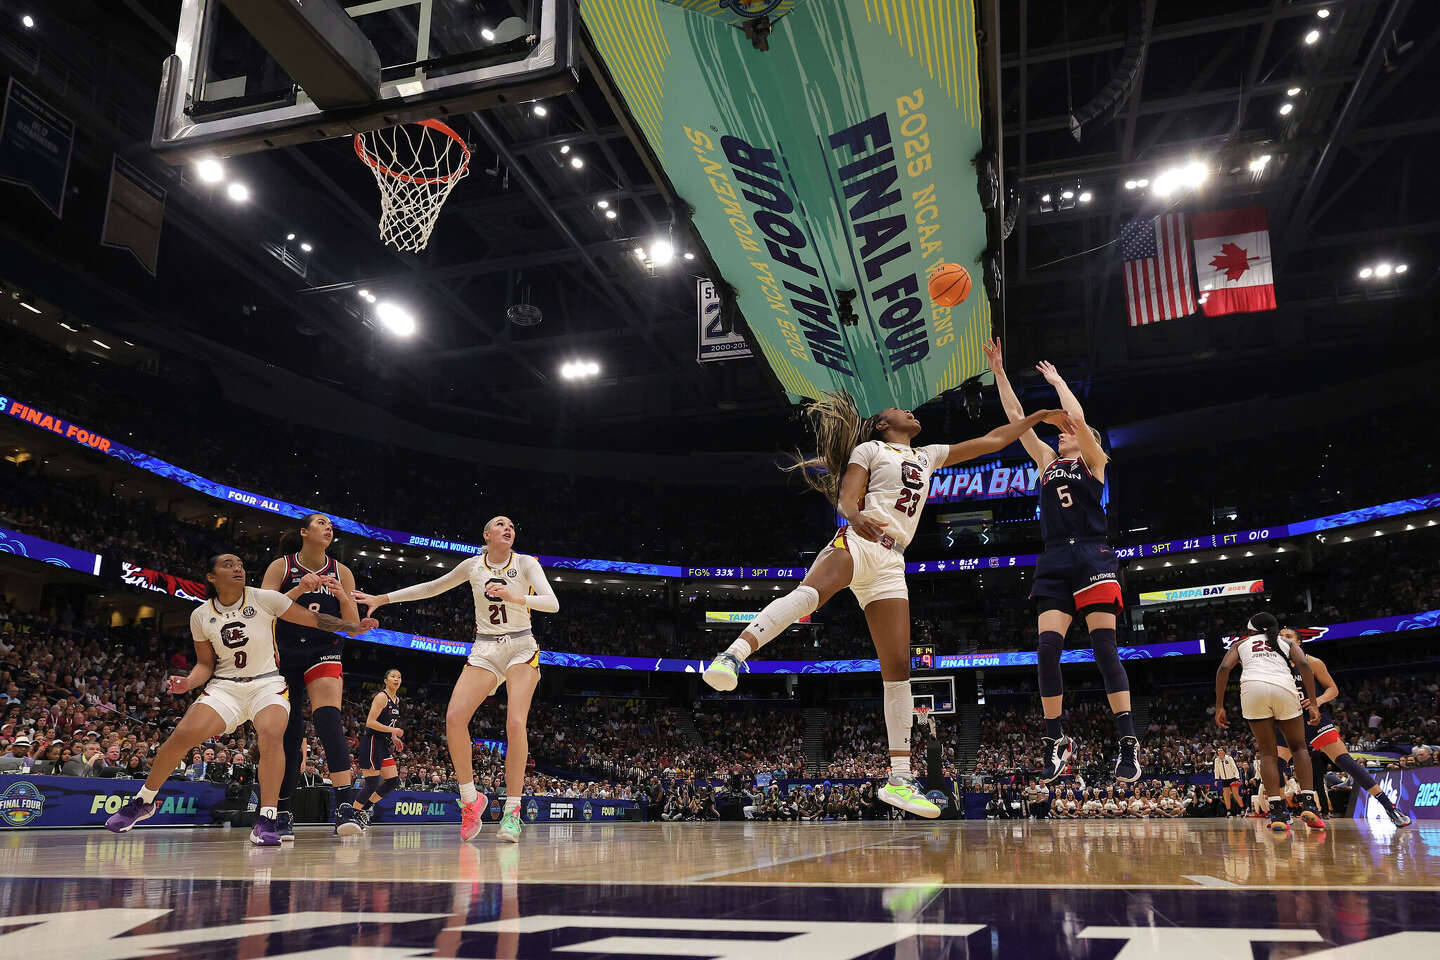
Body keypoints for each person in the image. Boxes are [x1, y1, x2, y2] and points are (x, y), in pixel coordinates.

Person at [701, 390, 1071, 818]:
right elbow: (846, 497)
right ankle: (732, 655)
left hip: (892, 561)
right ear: (882, 423)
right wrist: (854, 515)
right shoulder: (870, 448)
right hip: (859, 541)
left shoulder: (929, 454)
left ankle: (899, 779)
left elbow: (992, 440)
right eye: (899, 409)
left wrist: (1039, 414)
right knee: (808, 598)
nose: (910, 411)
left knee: (899, 671)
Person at [105, 554, 375, 844]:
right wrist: (187, 682)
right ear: (211, 577)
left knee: (272, 735)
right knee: (181, 736)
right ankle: (144, 801)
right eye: (228, 565)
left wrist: (352, 627)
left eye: (241, 565)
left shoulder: (263, 598)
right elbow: (205, 665)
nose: (238, 569)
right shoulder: (200, 615)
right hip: (226, 687)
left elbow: (315, 619)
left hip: (267, 684)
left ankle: (268, 819)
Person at [984, 339, 1139, 784]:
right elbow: (1018, 421)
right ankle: (1056, 740)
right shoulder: (1047, 462)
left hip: (1092, 553)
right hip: (1054, 557)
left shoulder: (1094, 460)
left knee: (1103, 648)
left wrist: (1057, 383)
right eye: (1060, 430)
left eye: (1067, 429)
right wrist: (999, 372)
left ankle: (1127, 740)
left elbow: (1078, 419)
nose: (1061, 432)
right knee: (1047, 651)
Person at [354, 516, 557, 844]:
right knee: (454, 718)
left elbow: (553, 603)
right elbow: (431, 588)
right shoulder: (472, 566)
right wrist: (383, 599)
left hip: (521, 645)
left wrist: (517, 597)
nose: (508, 528)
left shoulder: (526, 564)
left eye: (512, 526)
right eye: (499, 524)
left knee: (515, 723)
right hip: (486, 649)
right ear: (486, 534)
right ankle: (470, 799)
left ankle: (513, 811)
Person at [262, 513, 366, 839]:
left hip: (324, 648)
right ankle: (282, 810)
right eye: (320, 522)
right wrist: (295, 591)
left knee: (328, 719)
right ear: (304, 532)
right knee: (289, 733)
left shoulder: (341, 571)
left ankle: (345, 806)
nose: (328, 527)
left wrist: (343, 597)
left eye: (330, 524)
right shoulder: (282, 567)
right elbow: (262, 608)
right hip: (285, 652)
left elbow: (352, 626)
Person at [1272, 631, 1410, 828]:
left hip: (1315, 718)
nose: (1284, 637)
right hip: (1288, 719)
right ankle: (1281, 813)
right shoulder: (1274, 666)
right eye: (1280, 635)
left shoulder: (1313, 662)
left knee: (1345, 761)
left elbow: (1332, 689)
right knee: (1275, 765)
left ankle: (1390, 807)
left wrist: (1315, 701)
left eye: (1288, 635)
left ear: (1299, 641)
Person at [1214, 612, 1325, 833]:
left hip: (1253, 689)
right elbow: (1303, 665)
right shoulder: (1285, 641)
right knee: (1300, 747)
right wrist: (1312, 702)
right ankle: (1309, 803)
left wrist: (1219, 705)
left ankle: (1277, 812)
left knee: (1267, 753)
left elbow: (1224, 669)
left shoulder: (1242, 643)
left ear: (1251, 630)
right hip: (1283, 687)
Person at [349, 668, 405, 825]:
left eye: (399, 677)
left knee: (393, 781)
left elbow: (389, 722)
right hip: (372, 741)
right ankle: (353, 815)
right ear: (386, 680)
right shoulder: (382, 697)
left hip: (383, 744)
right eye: (393, 676)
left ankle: (364, 809)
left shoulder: (397, 700)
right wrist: (392, 730)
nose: (396, 679)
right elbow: (370, 722)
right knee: (372, 784)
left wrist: (393, 737)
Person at [1213, 747, 1242, 817]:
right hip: (1224, 780)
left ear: (1224, 751)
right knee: (1226, 796)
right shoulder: (1216, 760)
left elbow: (1234, 768)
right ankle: (1228, 811)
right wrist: (1216, 779)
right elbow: (1216, 770)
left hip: (1232, 778)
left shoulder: (1229, 758)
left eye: (1221, 750)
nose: (1219, 752)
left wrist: (1237, 778)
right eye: (1218, 751)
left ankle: (1241, 810)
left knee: (1235, 795)